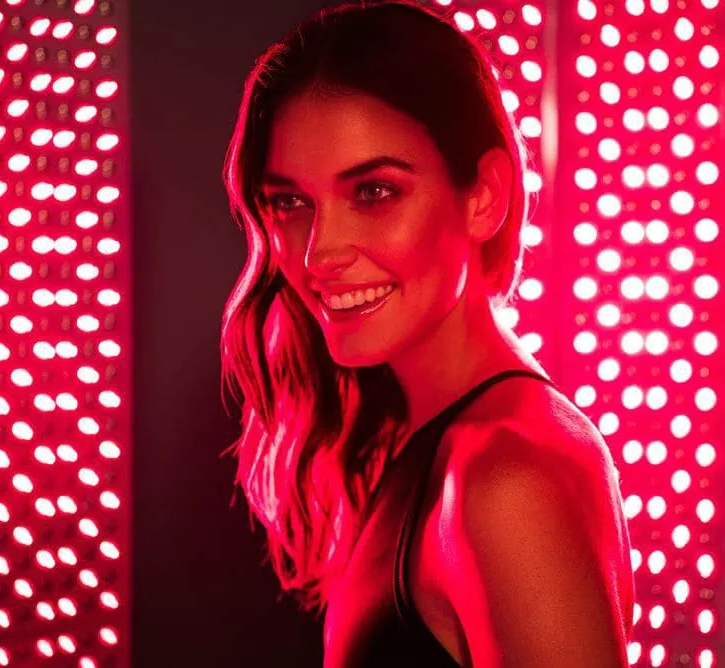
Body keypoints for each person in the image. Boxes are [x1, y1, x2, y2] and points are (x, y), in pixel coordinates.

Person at [220, 2, 634, 665]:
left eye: (375, 192)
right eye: (291, 203)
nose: (318, 253)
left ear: (484, 197)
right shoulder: (430, 442)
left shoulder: (504, 477)